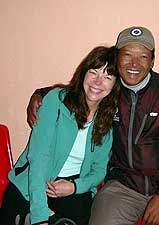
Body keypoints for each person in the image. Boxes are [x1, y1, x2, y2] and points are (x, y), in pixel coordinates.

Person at [26, 26, 159, 225]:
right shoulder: (109, 91)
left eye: (143, 56)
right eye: (127, 55)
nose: (134, 63)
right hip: (122, 187)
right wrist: (41, 93)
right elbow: (80, 89)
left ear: (152, 61)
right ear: (117, 58)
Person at [0, 46, 120, 225]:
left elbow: (99, 170)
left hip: (72, 189)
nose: (98, 82)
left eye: (107, 77)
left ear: (114, 85)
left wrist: (74, 187)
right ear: (83, 74)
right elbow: (38, 158)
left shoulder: (107, 120)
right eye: (93, 72)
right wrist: (40, 215)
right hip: (34, 183)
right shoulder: (56, 101)